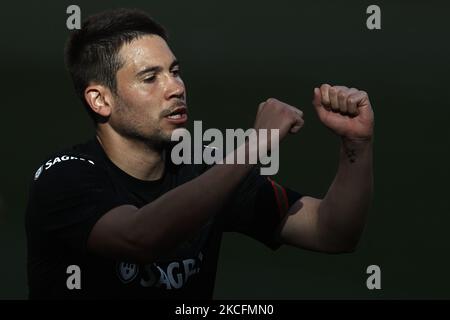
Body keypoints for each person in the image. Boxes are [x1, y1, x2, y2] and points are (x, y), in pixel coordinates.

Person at [25, 8, 374, 299]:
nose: (176, 88)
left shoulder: (203, 170)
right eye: (150, 78)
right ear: (100, 100)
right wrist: (254, 145)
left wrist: (355, 144)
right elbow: (140, 238)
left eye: (174, 71)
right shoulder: (64, 178)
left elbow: (332, 232)